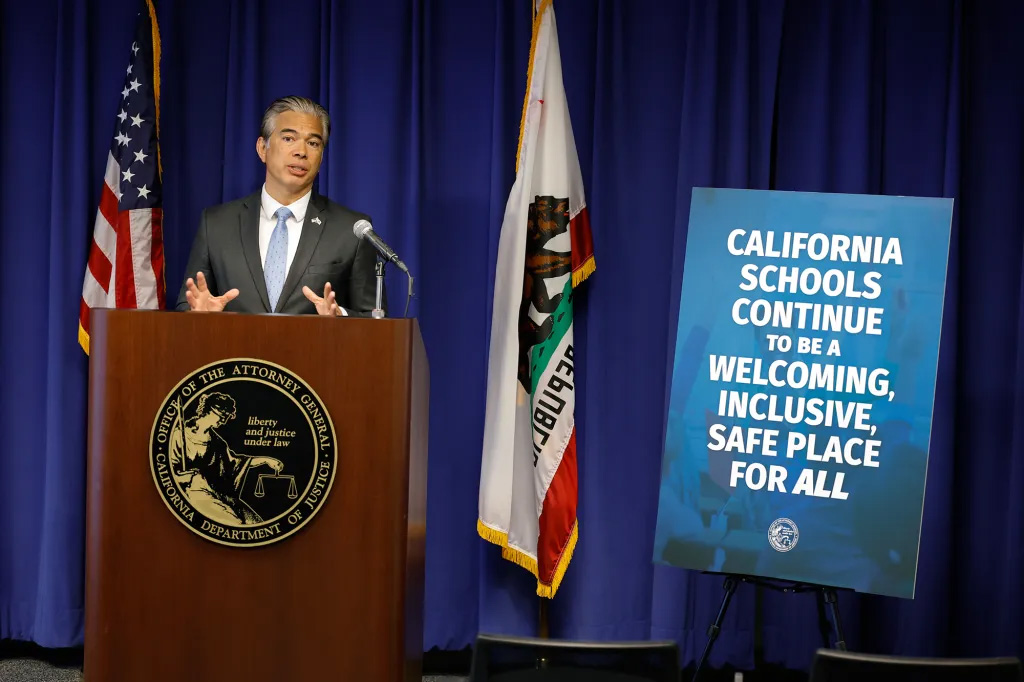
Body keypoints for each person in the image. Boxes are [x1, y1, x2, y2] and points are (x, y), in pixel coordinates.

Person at [174, 96, 381, 316]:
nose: (301, 151)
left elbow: (373, 319)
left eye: (313, 143)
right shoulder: (215, 224)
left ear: (321, 159)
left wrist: (340, 316)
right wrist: (200, 316)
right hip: (236, 351)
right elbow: (188, 304)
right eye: (289, 138)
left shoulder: (352, 230)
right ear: (262, 148)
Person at [168, 392, 283, 526]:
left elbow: (236, 462)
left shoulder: (217, 442)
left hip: (218, 492)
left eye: (226, 417)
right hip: (196, 493)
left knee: (256, 523)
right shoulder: (179, 435)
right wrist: (188, 477)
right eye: (222, 415)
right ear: (210, 410)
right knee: (236, 523)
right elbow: (168, 476)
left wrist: (266, 460)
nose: (223, 420)